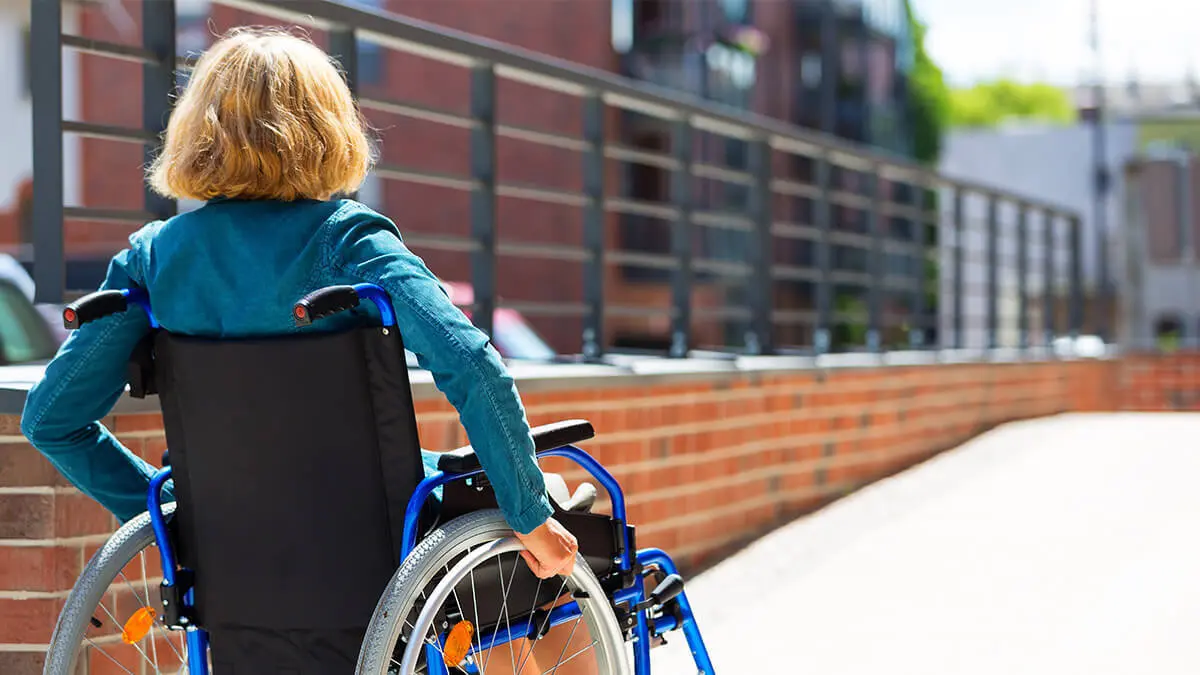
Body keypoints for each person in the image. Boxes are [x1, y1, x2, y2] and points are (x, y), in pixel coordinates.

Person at [22, 27, 592, 674]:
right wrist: (529, 512)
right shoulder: (348, 240)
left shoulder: (154, 257)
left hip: (233, 554)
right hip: (375, 549)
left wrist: (176, 526)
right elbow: (473, 365)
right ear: (325, 128)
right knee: (539, 514)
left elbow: (50, 419)